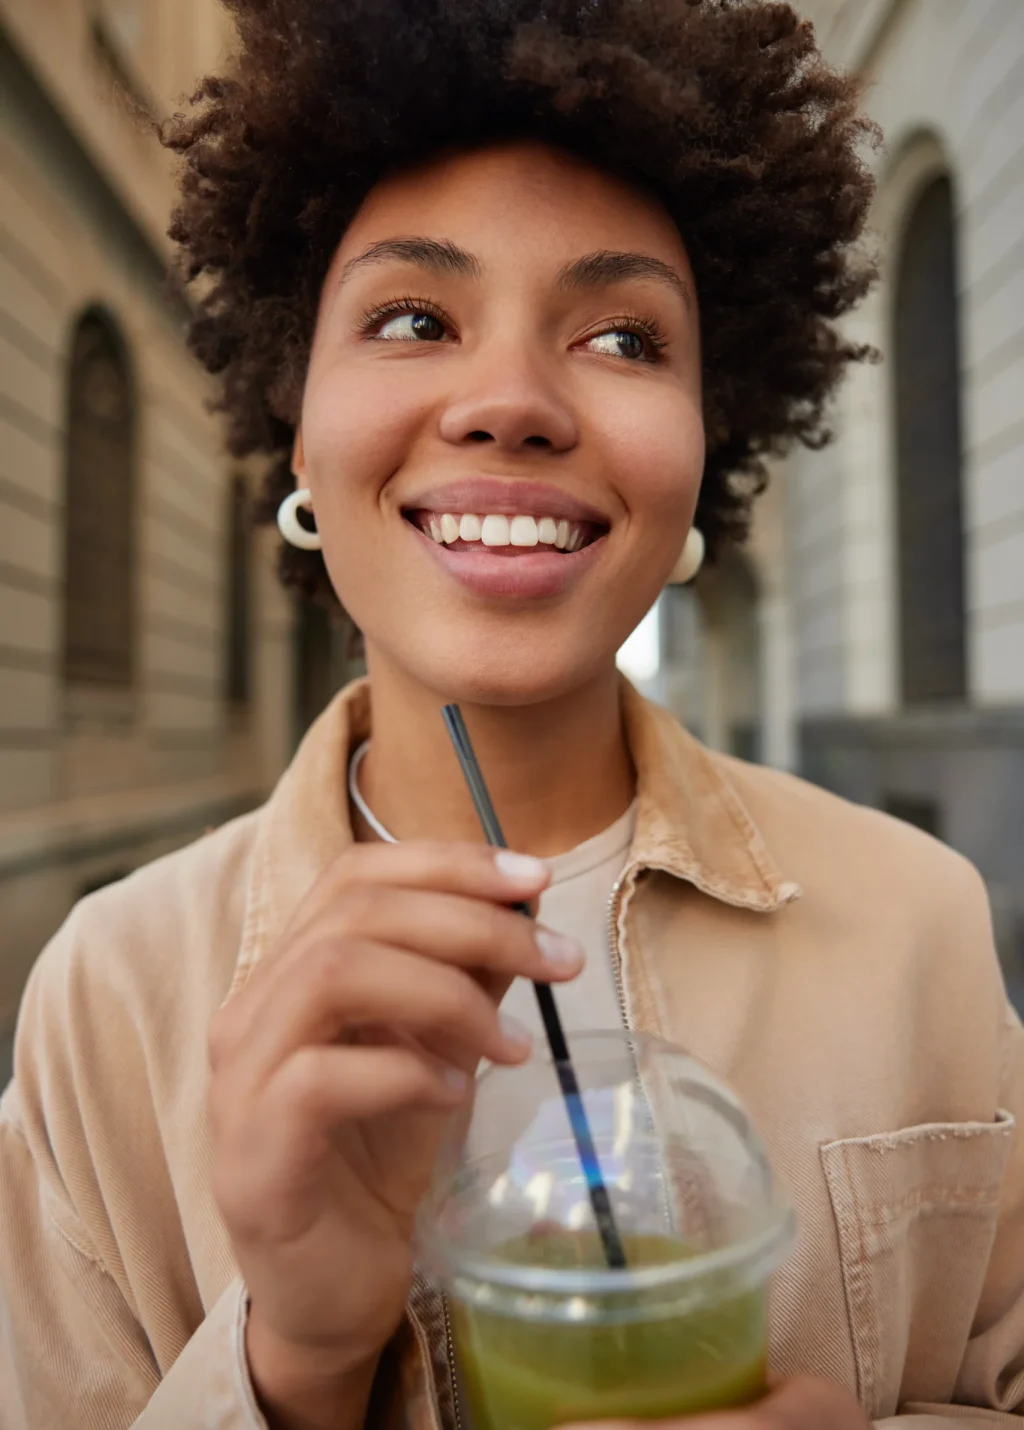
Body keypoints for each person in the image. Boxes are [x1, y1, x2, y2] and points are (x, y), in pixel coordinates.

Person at [1, 1, 1022, 1427]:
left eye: (623, 337)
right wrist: (292, 1362)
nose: (512, 402)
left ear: (707, 441)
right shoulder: (106, 1000)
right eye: (414, 319)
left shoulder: (921, 921)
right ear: (299, 431)